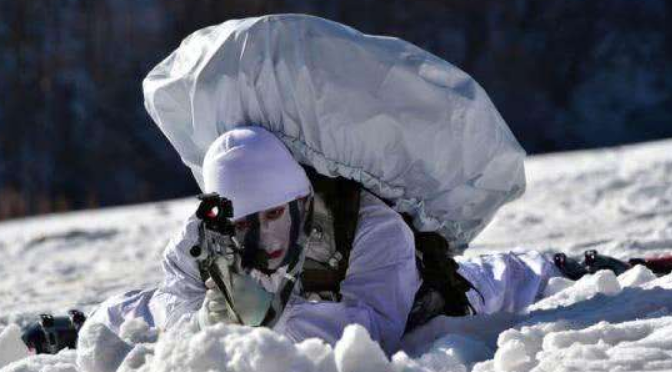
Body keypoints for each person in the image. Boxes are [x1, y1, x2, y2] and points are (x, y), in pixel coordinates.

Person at [88, 126, 563, 355]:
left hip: (410, 299)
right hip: (280, 303)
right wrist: (202, 322)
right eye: (248, 222)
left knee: (498, 279)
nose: (265, 235)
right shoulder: (205, 233)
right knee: (130, 310)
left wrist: (272, 322)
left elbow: (376, 329)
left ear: (300, 202)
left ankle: (564, 264)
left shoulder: (373, 229)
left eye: (275, 214)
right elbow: (172, 293)